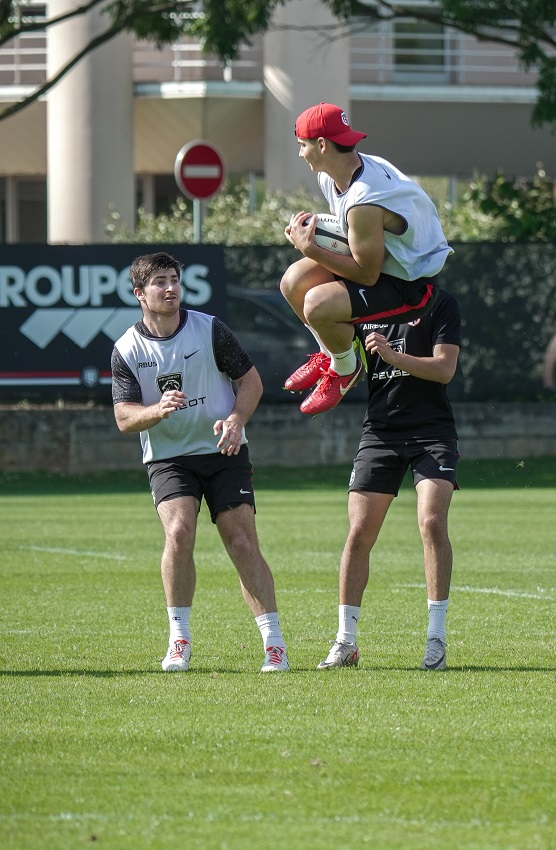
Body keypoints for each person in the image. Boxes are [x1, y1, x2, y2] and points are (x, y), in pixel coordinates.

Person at [111, 251, 290, 673]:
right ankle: (179, 641)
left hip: (224, 450)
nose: (170, 287)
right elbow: (124, 418)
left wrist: (235, 419)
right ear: (140, 293)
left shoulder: (209, 329)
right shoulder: (126, 348)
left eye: (174, 279)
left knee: (242, 541)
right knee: (178, 533)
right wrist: (156, 411)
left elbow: (251, 381)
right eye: (159, 282)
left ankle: (275, 644)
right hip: (170, 457)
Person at [317, 288, 461, 671]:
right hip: (380, 431)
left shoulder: (440, 302)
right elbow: (324, 322)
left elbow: (445, 368)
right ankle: (345, 641)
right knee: (359, 530)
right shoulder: (363, 302)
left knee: (431, 522)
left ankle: (436, 639)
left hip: (432, 430)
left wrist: (393, 355)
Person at [281, 101, 453, 416]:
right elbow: (352, 245)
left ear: (321, 145)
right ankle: (331, 354)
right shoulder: (333, 175)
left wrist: (311, 249)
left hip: (412, 285)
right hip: (383, 266)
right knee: (292, 282)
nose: (300, 153)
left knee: (317, 304)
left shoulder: (364, 200)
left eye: (302, 146)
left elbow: (367, 274)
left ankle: (346, 369)